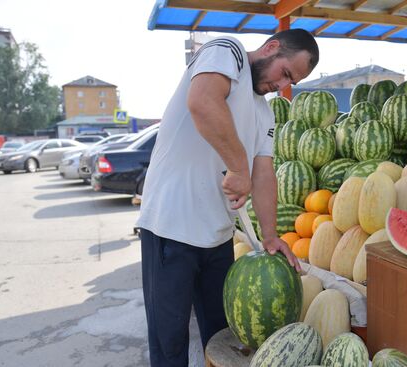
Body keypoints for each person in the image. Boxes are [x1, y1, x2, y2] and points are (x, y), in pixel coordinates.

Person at [136, 29, 319, 366]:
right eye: (285, 73)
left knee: (222, 340)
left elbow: (263, 172)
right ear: (271, 47)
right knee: (169, 342)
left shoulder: (264, 112)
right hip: (170, 227)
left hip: (218, 237)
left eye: (290, 82)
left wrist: (269, 236)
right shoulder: (226, 50)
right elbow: (203, 101)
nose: (281, 86)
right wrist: (238, 166)